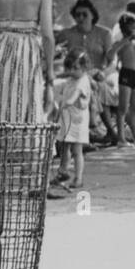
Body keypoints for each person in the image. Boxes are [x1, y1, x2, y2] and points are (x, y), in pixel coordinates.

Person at [56, 0, 118, 144]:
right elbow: (57, 56)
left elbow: (112, 61)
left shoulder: (104, 33)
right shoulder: (66, 34)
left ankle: (105, 131)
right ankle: (103, 130)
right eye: (77, 15)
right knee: (92, 87)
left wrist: (104, 72)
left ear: (92, 15)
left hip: (98, 75)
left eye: (84, 14)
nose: (80, 18)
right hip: (73, 76)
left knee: (99, 86)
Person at [106, 13, 135, 147]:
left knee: (134, 109)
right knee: (122, 108)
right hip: (126, 74)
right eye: (132, 28)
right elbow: (110, 54)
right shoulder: (121, 42)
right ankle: (121, 139)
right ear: (125, 29)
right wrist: (124, 42)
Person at [52, 49, 91, 190]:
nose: (73, 71)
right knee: (64, 146)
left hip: (77, 121)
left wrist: (67, 102)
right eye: (71, 68)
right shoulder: (72, 79)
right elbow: (63, 80)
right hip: (68, 118)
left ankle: (78, 178)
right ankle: (63, 171)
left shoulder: (82, 81)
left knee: (76, 150)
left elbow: (75, 95)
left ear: (84, 67)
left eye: (76, 68)